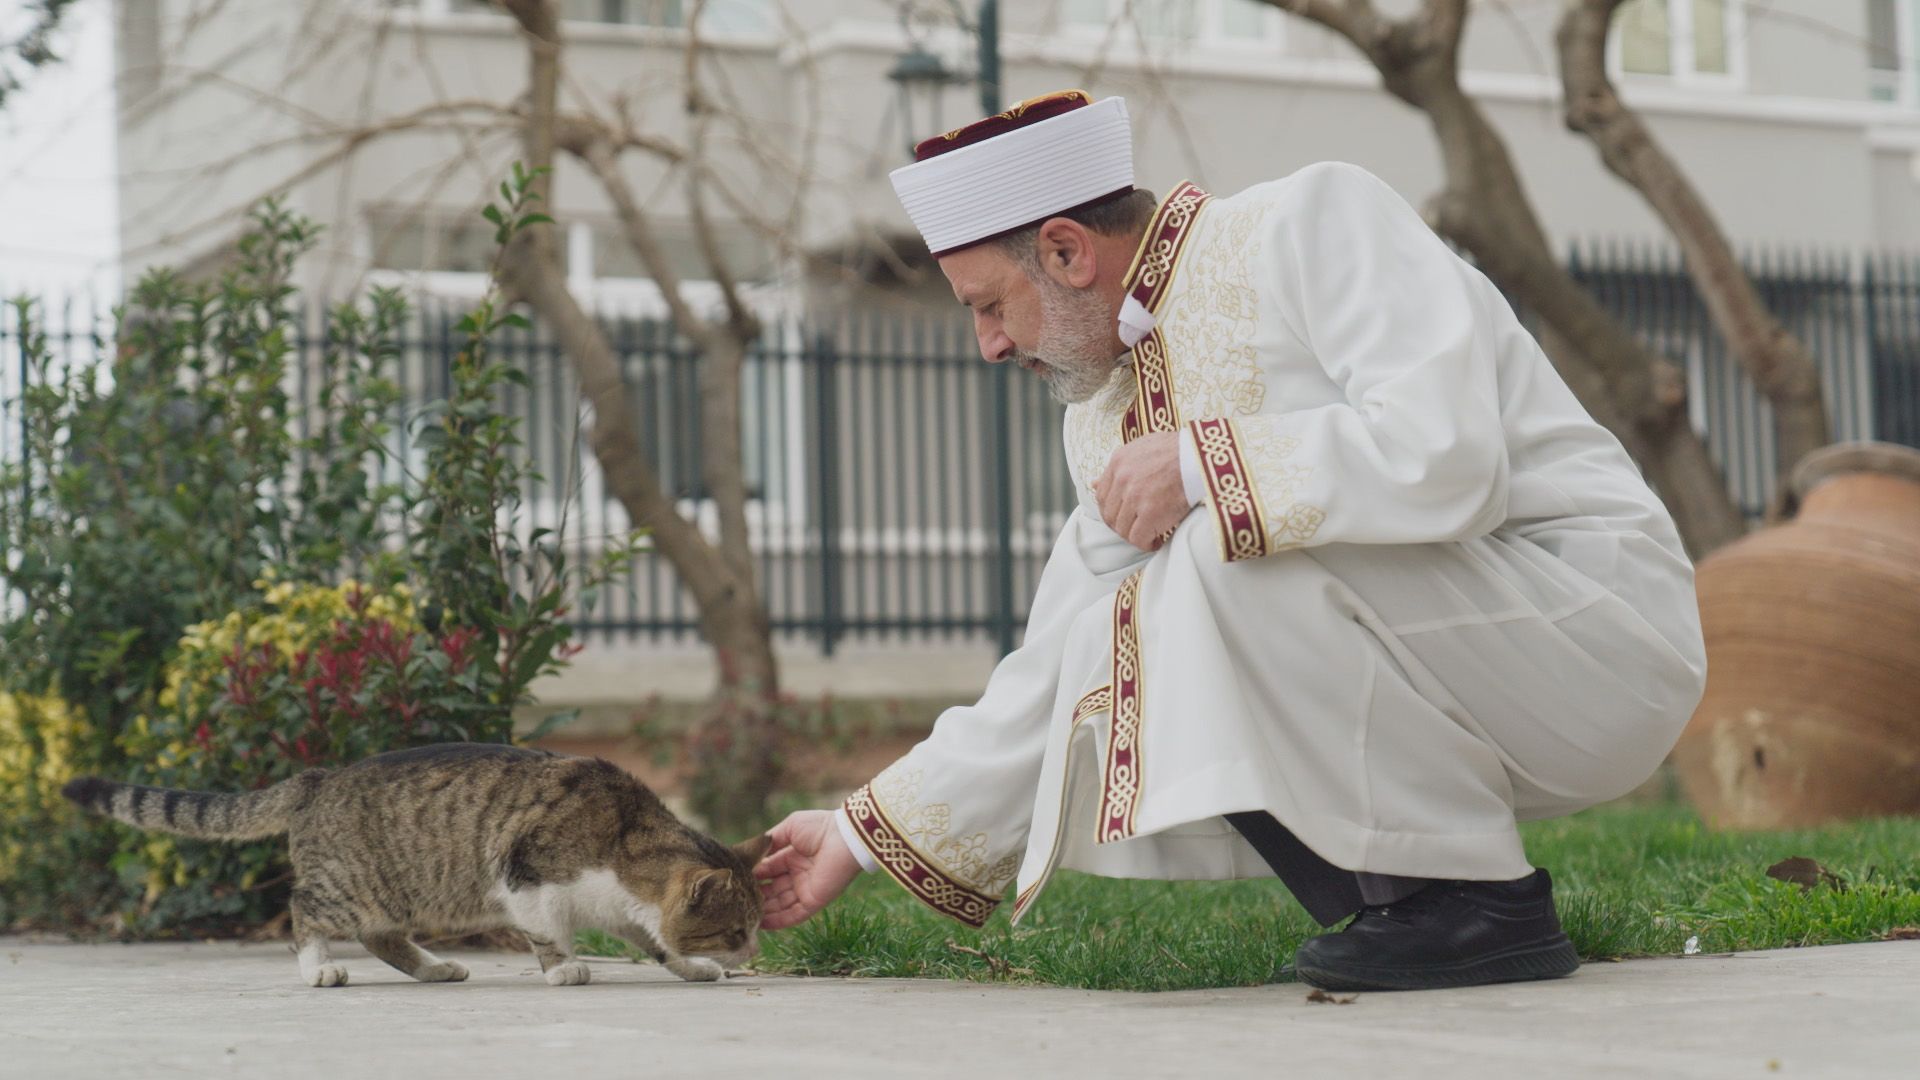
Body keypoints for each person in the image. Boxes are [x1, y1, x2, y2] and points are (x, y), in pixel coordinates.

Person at [753, 89, 1707, 992]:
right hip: (1479, 671)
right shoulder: (1101, 416)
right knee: (1154, 599)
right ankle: (1411, 908)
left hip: (1596, 626)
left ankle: (1478, 906)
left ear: (1066, 250)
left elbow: (1449, 455)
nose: (990, 346)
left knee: (1217, 552)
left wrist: (1207, 465)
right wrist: (858, 830)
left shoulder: (1313, 223)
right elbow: (1057, 661)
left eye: (988, 305)